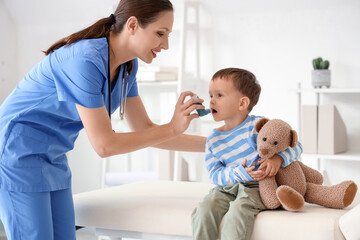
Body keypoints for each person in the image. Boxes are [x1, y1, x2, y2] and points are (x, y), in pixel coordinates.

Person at [0, 0, 207, 239]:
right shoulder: (85, 60)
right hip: (15, 152)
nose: (166, 44)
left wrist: (215, 144)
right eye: (160, 33)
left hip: (53, 156)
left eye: (168, 35)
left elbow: (146, 129)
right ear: (132, 25)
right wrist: (172, 128)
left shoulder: (128, 66)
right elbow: (104, 145)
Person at [191, 68, 303, 240]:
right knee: (205, 208)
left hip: (257, 187)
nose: (211, 101)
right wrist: (239, 173)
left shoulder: (259, 126)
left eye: (219, 95)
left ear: (242, 103)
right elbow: (215, 175)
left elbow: (296, 145)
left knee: (239, 209)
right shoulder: (213, 140)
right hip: (226, 188)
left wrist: (278, 158)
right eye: (211, 95)